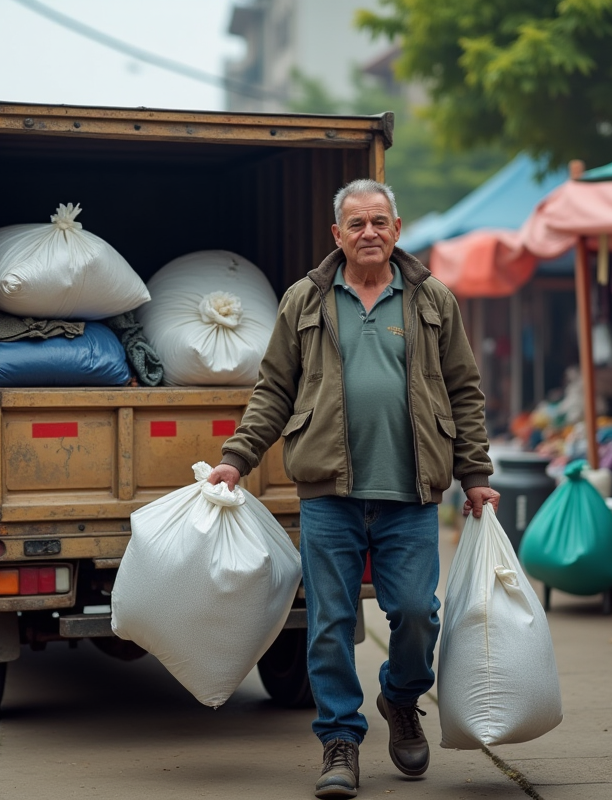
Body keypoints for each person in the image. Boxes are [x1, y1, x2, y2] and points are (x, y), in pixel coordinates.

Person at [208, 179, 499, 799]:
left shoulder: (433, 300)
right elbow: (273, 390)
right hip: (328, 495)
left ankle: (399, 696)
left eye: (379, 222)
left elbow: (464, 391)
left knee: (418, 615)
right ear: (337, 236)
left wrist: (476, 475)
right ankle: (339, 740)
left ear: (398, 229)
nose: (369, 232)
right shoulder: (304, 300)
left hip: (410, 494)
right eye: (356, 224)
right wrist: (237, 458)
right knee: (330, 624)